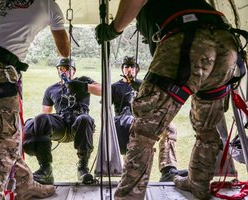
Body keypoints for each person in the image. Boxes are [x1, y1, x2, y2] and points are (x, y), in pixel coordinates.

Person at [96, 0, 244, 199]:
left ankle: (129, 196)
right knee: (207, 128)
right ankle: (198, 184)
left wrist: (113, 30)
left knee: (144, 132)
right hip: (227, 43)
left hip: (187, 36)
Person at [0, 1, 70, 199]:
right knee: (5, 139)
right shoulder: (49, 5)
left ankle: (24, 183)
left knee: (9, 132)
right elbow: (65, 51)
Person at [23, 58, 101, 185]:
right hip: (61, 124)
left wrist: (84, 86)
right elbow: (46, 113)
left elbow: (103, 90)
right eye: (61, 68)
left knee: (84, 119)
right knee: (40, 118)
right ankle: (45, 169)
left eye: (67, 68)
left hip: (79, 123)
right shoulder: (51, 89)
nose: (63, 71)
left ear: (74, 71)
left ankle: (83, 168)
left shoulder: (83, 80)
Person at [112, 56, 187, 182]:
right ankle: (128, 176)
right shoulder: (115, 86)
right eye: (126, 66)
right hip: (124, 120)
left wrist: (138, 86)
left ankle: (168, 169)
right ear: (123, 69)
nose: (129, 69)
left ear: (137, 69)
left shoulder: (144, 85)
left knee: (170, 127)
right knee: (131, 131)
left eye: (132, 67)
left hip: (145, 119)